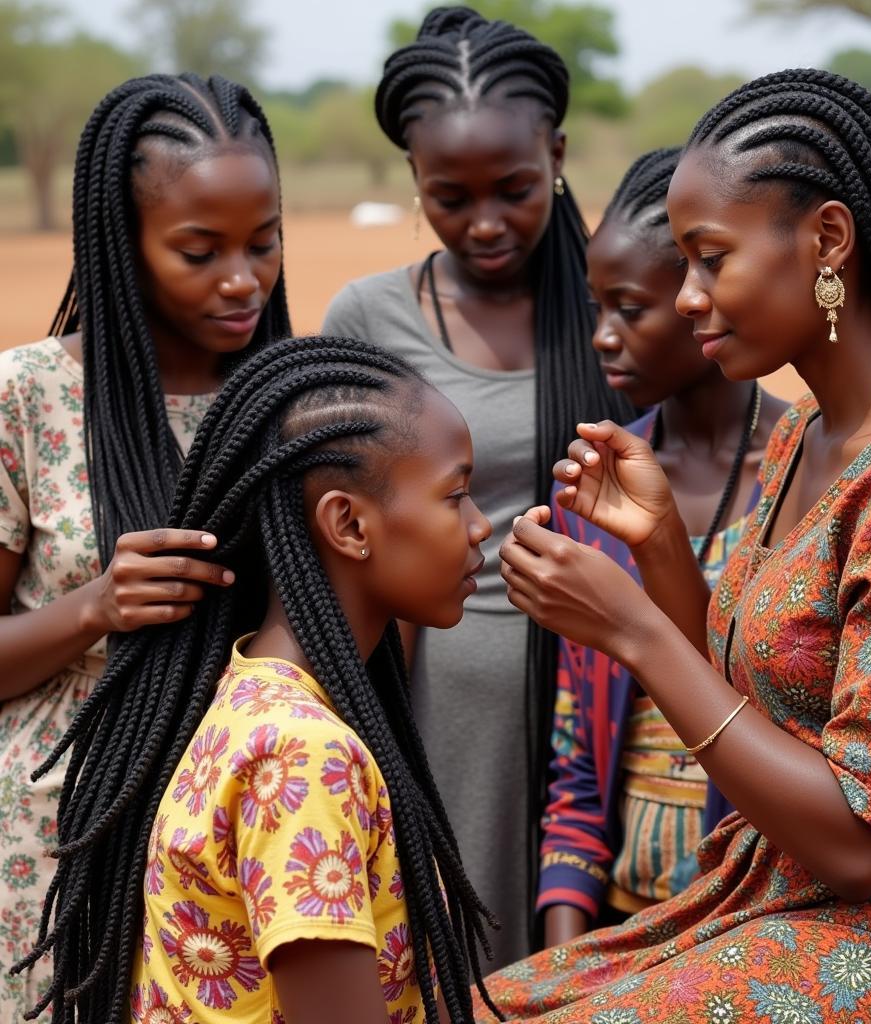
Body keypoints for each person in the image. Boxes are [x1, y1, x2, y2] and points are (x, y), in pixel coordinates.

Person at [486, 69, 871, 1021]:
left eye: (710, 258)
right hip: (773, 897)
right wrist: (656, 553)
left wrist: (634, 633)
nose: (690, 297)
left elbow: (864, 843)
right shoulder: (803, 439)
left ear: (825, 241)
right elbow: (762, 696)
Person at [15, 336, 505, 1024]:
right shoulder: (302, 757)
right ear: (348, 523)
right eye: (455, 495)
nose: (482, 525)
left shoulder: (243, 688)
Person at [323, 5, 633, 965]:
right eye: (450, 195)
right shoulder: (370, 318)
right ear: (413, 178)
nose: (487, 222)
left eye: (516, 187)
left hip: (617, 685)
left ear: (559, 154)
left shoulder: (618, 308)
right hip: (443, 701)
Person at [0, 73, 289, 1021]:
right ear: (122, 247)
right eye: (199, 251)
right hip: (57, 842)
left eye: (264, 241)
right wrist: (93, 608)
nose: (243, 279)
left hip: (254, 835)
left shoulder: (303, 402)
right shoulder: (29, 397)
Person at [538, 148, 788, 948]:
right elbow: (576, 754)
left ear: (697, 298)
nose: (602, 338)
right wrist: (568, 946)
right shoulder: (593, 490)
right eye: (595, 308)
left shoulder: (803, 476)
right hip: (622, 920)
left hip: (759, 917)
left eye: (629, 309)